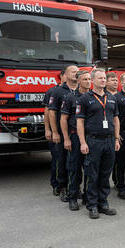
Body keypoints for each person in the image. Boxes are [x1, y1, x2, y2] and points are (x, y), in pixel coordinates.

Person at [76, 68, 120, 219]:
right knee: (92, 174)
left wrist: (116, 138)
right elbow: (80, 122)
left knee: (105, 173)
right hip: (93, 140)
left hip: (109, 140)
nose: (103, 80)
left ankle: (103, 203)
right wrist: (82, 142)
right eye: (100, 78)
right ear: (93, 80)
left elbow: (115, 119)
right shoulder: (84, 98)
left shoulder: (112, 98)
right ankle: (92, 205)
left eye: (104, 78)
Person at [60, 70, 91, 210]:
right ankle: (73, 196)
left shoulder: (93, 97)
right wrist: (66, 138)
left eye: (89, 79)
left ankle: (87, 196)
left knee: (90, 169)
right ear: (78, 81)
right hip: (75, 137)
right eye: (85, 79)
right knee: (74, 168)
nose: (88, 82)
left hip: (91, 137)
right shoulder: (70, 97)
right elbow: (63, 119)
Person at [48, 65, 79, 202]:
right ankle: (61, 186)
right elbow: (52, 112)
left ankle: (74, 187)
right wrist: (53, 131)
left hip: (76, 133)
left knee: (74, 163)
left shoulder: (82, 91)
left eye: (77, 72)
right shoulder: (57, 91)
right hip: (61, 132)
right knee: (61, 160)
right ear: (65, 75)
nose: (75, 74)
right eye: (73, 72)